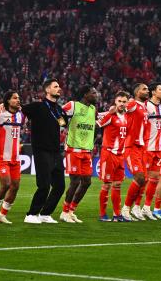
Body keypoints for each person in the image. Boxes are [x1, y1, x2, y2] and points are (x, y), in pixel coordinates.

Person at [22, 78, 66, 224]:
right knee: (44, 185)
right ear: (47, 90)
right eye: (56, 86)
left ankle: (45, 213)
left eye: (59, 86)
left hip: (55, 151)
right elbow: (20, 109)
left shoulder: (59, 109)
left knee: (60, 185)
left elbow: (63, 122)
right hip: (41, 150)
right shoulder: (38, 106)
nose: (59, 88)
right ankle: (31, 214)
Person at [60, 85, 98, 223]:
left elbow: (95, 126)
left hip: (87, 151)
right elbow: (58, 114)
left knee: (87, 182)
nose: (96, 95)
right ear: (86, 94)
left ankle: (71, 210)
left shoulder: (93, 109)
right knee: (75, 181)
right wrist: (63, 125)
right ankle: (64, 212)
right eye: (93, 93)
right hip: (73, 150)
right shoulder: (73, 105)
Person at [0, 91, 25, 225]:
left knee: (15, 186)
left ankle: (3, 215)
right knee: (6, 184)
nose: (18, 100)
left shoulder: (21, 116)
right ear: (8, 101)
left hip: (15, 158)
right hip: (0, 158)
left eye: (19, 98)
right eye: (15, 98)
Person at [97, 91, 130, 222]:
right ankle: (102, 214)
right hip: (109, 154)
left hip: (120, 155)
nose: (121, 104)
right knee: (106, 184)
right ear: (115, 102)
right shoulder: (110, 115)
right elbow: (98, 124)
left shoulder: (127, 116)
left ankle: (117, 215)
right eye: (119, 101)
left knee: (117, 185)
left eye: (124, 101)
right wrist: (109, 113)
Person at [121, 83, 150, 221]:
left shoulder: (144, 107)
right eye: (144, 89)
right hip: (131, 146)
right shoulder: (133, 104)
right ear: (137, 92)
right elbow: (121, 107)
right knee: (139, 178)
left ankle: (135, 208)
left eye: (147, 89)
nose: (147, 91)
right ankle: (125, 208)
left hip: (141, 148)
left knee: (144, 180)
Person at [140, 82, 161, 220]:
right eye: (160, 89)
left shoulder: (160, 107)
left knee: (155, 179)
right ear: (153, 92)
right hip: (148, 147)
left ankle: (146, 207)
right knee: (143, 179)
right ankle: (136, 207)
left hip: (158, 149)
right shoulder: (147, 106)